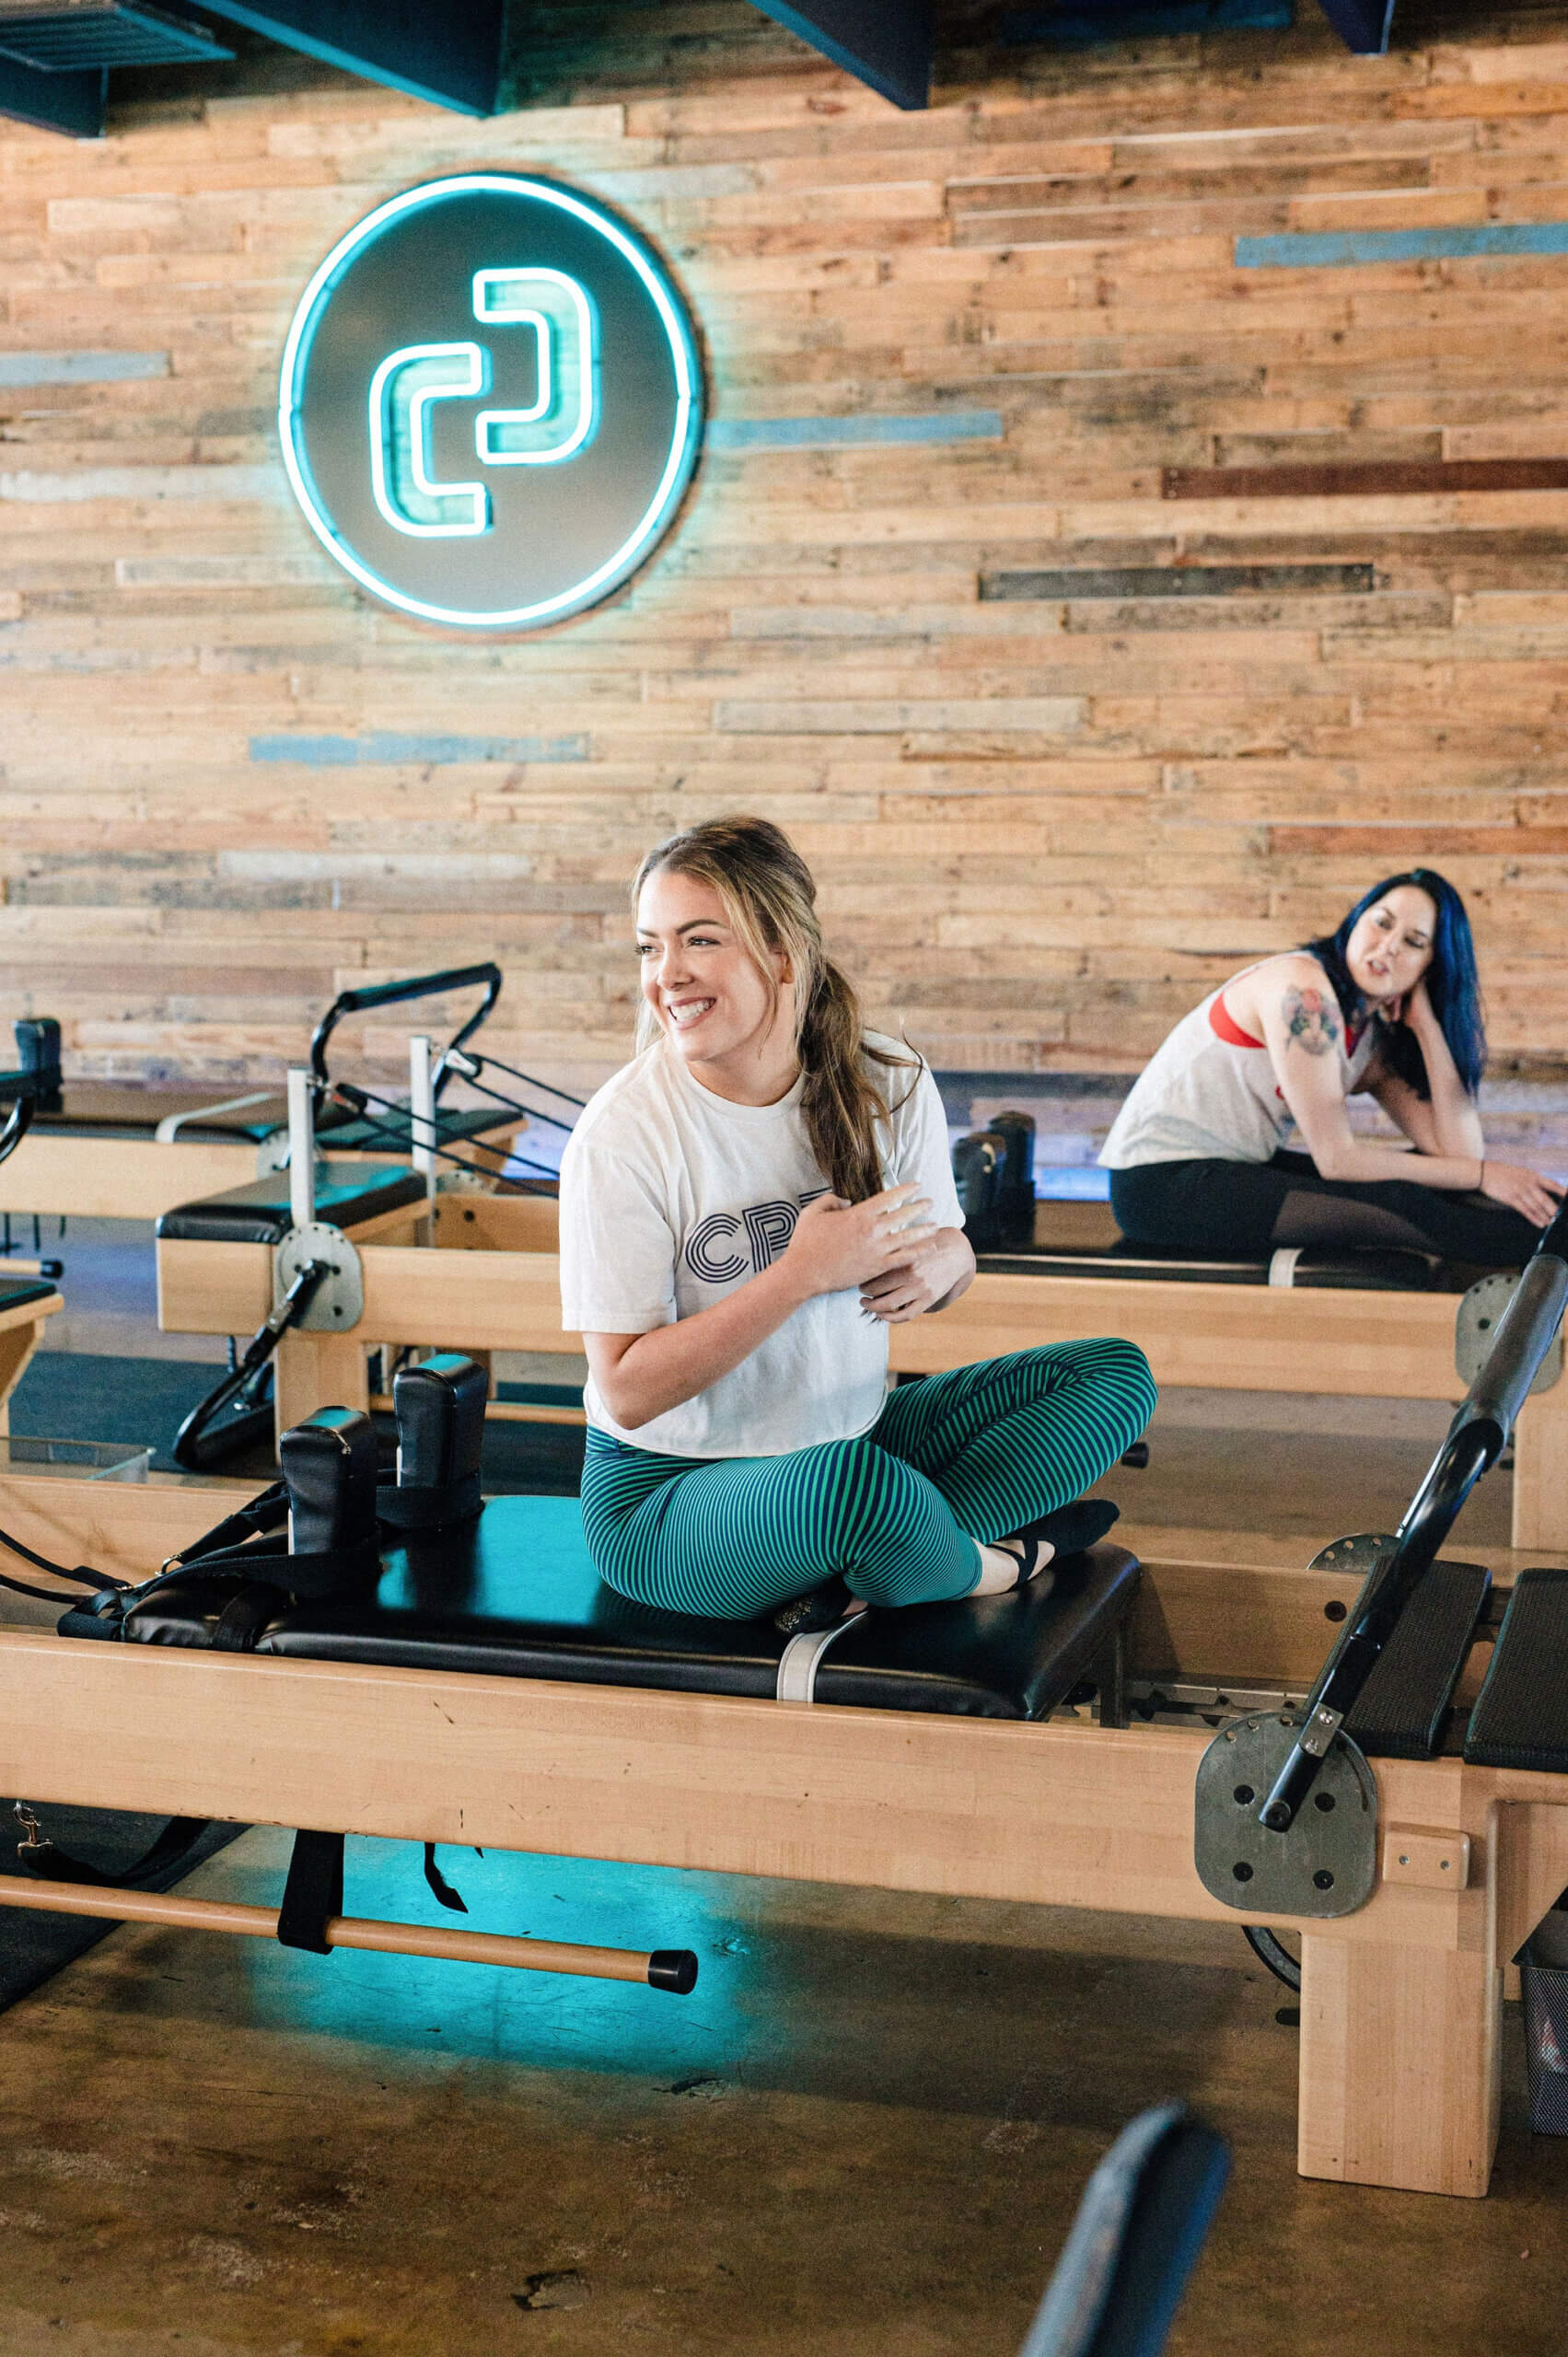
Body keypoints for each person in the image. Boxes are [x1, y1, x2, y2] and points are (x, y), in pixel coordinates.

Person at [559, 816, 1156, 1627]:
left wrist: (949, 1263)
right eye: (648, 946)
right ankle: (985, 1564)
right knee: (849, 1490)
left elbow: (946, 1260)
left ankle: (887, 1552)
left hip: (854, 1437)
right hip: (667, 1497)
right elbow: (624, 1393)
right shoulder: (624, 1132)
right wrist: (801, 1273)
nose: (665, 974)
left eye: (697, 941)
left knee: (1110, 1375)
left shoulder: (887, 1079)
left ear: (781, 952)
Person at [1100, 869, 1562, 1263]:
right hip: (1161, 1186)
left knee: (1440, 1185)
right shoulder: (1304, 995)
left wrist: (1428, 1029)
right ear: (1356, 919)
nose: (1387, 947)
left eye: (1413, 942)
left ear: (1430, 967)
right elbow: (1338, 1160)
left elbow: (1458, 1156)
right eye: (1380, 923)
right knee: (1399, 1205)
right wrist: (1486, 1175)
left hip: (1224, 1169)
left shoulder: (1367, 1035)